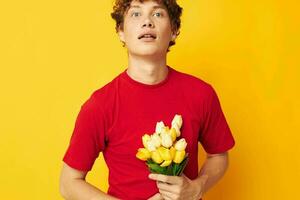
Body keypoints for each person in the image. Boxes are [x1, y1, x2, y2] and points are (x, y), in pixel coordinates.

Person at [59, 0, 236, 200]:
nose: (147, 21)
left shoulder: (201, 93)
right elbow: (68, 182)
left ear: (174, 30)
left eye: (158, 14)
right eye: (135, 14)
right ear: (121, 32)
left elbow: (219, 155)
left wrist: (197, 188)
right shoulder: (100, 105)